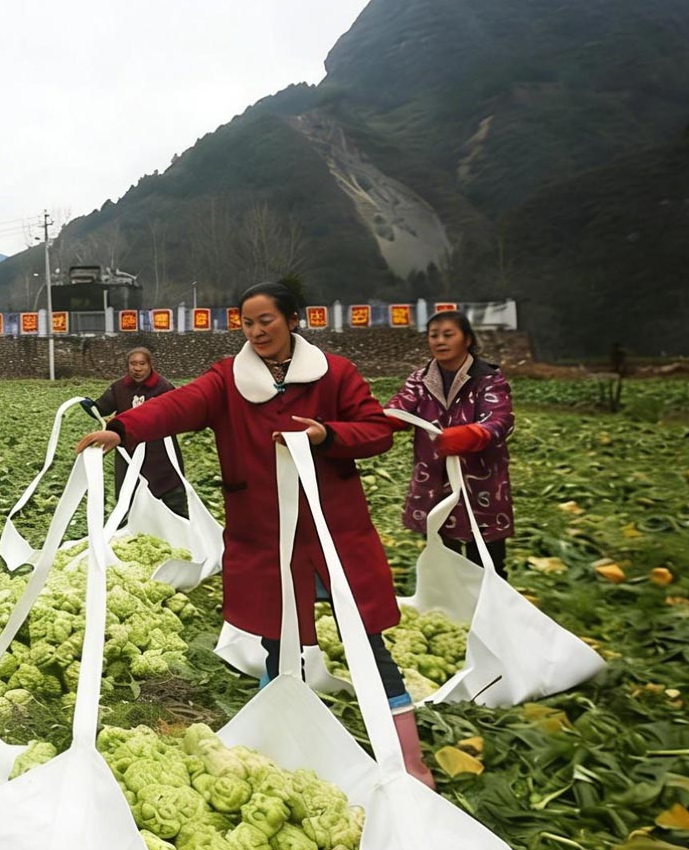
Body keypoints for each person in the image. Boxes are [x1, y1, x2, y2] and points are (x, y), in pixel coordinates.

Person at [76, 280, 435, 790]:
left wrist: (327, 435)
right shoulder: (229, 379)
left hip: (332, 529)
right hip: (264, 532)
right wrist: (124, 429)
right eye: (247, 322)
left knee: (367, 643)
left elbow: (376, 430)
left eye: (266, 319)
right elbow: (178, 406)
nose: (257, 330)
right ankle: (275, 746)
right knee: (276, 640)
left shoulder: (334, 374)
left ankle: (410, 763)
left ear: (293, 320)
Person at [383, 310, 514, 572]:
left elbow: (500, 419)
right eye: (434, 335)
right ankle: (450, 609)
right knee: (443, 560)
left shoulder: (487, 378)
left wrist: (472, 435)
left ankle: (490, 609)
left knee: (486, 562)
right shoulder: (420, 380)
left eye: (448, 334)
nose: (439, 341)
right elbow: (398, 408)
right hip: (433, 479)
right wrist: (387, 420)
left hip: (481, 482)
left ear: (466, 340)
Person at [81, 344, 189, 519]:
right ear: (128, 365)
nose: (137, 369)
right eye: (133, 364)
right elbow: (103, 408)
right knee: (128, 495)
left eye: (142, 364)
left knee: (169, 497)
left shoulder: (163, 387)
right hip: (128, 452)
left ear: (150, 364)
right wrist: (92, 407)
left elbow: (177, 414)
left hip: (159, 454)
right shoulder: (119, 388)